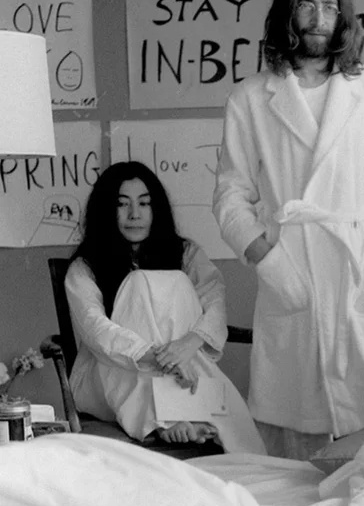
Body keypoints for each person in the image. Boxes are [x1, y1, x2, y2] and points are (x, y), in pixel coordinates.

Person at [213, 0, 364, 459]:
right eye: (307, 4)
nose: (319, 17)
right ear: (288, 9)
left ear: (342, 14)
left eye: (330, 6)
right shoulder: (250, 98)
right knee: (291, 449)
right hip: (292, 270)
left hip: (357, 274)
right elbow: (229, 196)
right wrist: (269, 261)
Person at [66, 161, 266, 454]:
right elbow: (96, 329)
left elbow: (214, 303)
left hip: (182, 361)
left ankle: (180, 413)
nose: (135, 214)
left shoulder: (186, 253)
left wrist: (186, 347)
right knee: (138, 282)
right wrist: (159, 357)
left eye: (144, 203)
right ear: (106, 211)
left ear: (156, 208)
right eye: (123, 205)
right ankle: (172, 415)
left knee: (175, 282)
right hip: (113, 370)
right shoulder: (84, 267)